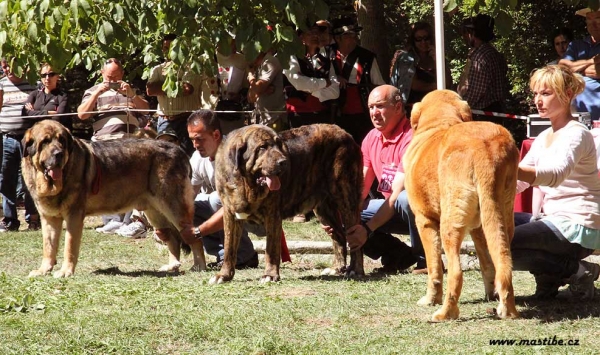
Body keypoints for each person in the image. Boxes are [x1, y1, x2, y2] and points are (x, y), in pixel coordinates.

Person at [512, 64, 600, 299]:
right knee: (488, 231)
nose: (538, 100)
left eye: (546, 93)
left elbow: (553, 174)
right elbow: (518, 184)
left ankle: (578, 271)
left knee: (503, 242)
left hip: (578, 223)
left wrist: (507, 168)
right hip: (552, 219)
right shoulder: (542, 137)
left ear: (568, 94)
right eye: (536, 94)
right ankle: (549, 278)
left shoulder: (577, 133)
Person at [344, 85, 426, 274]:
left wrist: (367, 229)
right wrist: (341, 217)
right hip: (391, 208)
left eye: (380, 106)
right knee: (345, 211)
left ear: (398, 107)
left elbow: (397, 194)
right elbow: (361, 187)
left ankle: (427, 261)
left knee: (407, 198)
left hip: (419, 209)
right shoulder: (371, 138)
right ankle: (398, 256)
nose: (374, 113)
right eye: (371, 107)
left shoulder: (413, 137)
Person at [78, 58, 149, 233]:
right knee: (105, 180)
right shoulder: (92, 90)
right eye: (110, 77)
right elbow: (82, 114)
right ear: (102, 74)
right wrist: (97, 93)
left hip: (129, 143)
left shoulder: (130, 90)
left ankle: (128, 220)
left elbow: (146, 109)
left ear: (122, 74)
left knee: (130, 180)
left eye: (117, 77)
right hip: (104, 143)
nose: (113, 81)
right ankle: (111, 220)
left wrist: (132, 95)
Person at [186, 109, 259, 268]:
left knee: (216, 199)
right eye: (192, 140)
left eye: (200, 139)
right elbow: (188, 197)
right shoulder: (198, 158)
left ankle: (243, 256)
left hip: (257, 216)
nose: (195, 145)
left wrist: (197, 232)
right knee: (194, 206)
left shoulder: (235, 155)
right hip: (232, 211)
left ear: (216, 135)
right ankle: (223, 256)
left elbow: (233, 206)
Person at [146, 34, 212, 156]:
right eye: (165, 48)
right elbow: (150, 90)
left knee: (187, 156)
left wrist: (161, 86)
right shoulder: (157, 69)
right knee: (164, 158)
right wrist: (175, 86)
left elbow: (187, 89)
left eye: (172, 48)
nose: (168, 52)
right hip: (164, 121)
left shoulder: (191, 67)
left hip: (186, 120)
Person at [330, 17, 386, 144]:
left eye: (355, 34)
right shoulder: (327, 54)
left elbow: (379, 84)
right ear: (337, 38)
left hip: (362, 113)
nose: (354, 37)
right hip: (333, 112)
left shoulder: (367, 57)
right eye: (348, 35)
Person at [0, 58, 40, 232]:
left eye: (9, 65)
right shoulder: (1, 84)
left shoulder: (33, 82)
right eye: (4, 66)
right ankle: (10, 220)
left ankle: (33, 219)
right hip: (7, 138)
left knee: (30, 179)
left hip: (29, 139)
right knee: (6, 179)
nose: (7, 69)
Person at [283, 22, 339, 128]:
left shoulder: (326, 60)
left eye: (317, 33)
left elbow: (335, 92)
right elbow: (299, 83)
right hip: (298, 115)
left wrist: (312, 90)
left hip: (322, 114)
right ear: (301, 37)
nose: (315, 36)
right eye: (310, 33)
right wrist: (324, 82)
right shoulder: (291, 57)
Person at [389, 22, 452, 116]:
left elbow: (448, 82)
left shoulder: (437, 56)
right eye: (418, 39)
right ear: (413, 41)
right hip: (411, 109)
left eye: (426, 38)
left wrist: (438, 59)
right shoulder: (406, 58)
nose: (423, 42)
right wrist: (437, 86)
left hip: (436, 108)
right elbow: (414, 85)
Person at [457, 14, 509, 112]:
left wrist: (460, 109)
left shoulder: (480, 58)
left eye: (464, 32)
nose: (463, 37)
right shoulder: (493, 53)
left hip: (484, 113)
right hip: (496, 110)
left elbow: (476, 92)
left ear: (471, 33)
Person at [559, 8, 600, 121]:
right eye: (589, 19)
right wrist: (592, 61)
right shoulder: (576, 45)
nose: (593, 24)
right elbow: (562, 67)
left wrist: (576, 70)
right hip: (578, 115)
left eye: (598, 19)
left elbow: (597, 70)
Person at [247, 49, 288, 132]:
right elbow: (250, 98)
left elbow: (257, 88)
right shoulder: (257, 68)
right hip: (259, 120)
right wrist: (260, 90)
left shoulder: (270, 61)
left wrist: (250, 77)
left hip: (273, 119)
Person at [23, 63, 69, 128]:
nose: (47, 78)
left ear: (57, 76)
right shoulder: (34, 94)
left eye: (51, 74)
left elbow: (59, 118)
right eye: (44, 75)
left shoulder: (62, 96)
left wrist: (34, 113)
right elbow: (25, 114)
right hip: (35, 134)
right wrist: (48, 113)